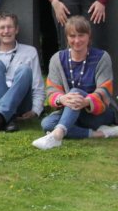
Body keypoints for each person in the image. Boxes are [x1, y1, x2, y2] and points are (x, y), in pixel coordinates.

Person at [32, 16, 118, 150]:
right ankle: (99, 133)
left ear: (89, 36)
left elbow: (105, 90)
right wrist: (62, 99)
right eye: (72, 36)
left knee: (74, 92)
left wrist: (85, 101)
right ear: (67, 37)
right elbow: (51, 90)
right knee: (47, 124)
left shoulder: (102, 57)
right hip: (71, 111)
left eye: (81, 35)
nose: (77, 40)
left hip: (99, 113)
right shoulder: (57, 59)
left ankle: (58, 135)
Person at [0, 13, 44, 133]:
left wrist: (35, 110)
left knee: (24, 70)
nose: (6, 31)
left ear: (16, 29)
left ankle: (0, 118)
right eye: (2, 27)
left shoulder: (30, 51)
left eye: (10, 27)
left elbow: (37, 84)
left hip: (21, 103)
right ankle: (9, 117)